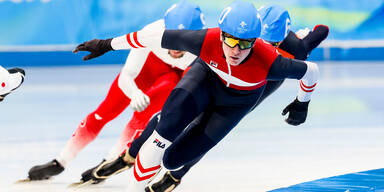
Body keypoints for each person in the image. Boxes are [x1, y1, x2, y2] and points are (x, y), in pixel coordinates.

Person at [73, 1, 319, 191]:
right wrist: (105, 44)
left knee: (174, 157)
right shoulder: (209, 38)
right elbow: (153, 37)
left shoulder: (278, 59)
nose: (236, 50)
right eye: (231, 40)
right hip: (206, 80)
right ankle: (131, 154)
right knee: (167, 123)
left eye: (246, 44)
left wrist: (301, 103)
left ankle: (174, 172)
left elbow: (312, 66)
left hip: (238, 101)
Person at [26, 1, 205, 184]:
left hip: (175, 77)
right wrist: (134, 93)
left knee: (143, 117)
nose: (175, 46)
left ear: (195, 36)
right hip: (148, 68)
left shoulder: (203, 48)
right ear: (164, 29)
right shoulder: (152, 33)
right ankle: (61, 161)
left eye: (183, 39)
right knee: (103, 113)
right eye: (171, 36)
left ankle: (109, 163)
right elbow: (127, 75)